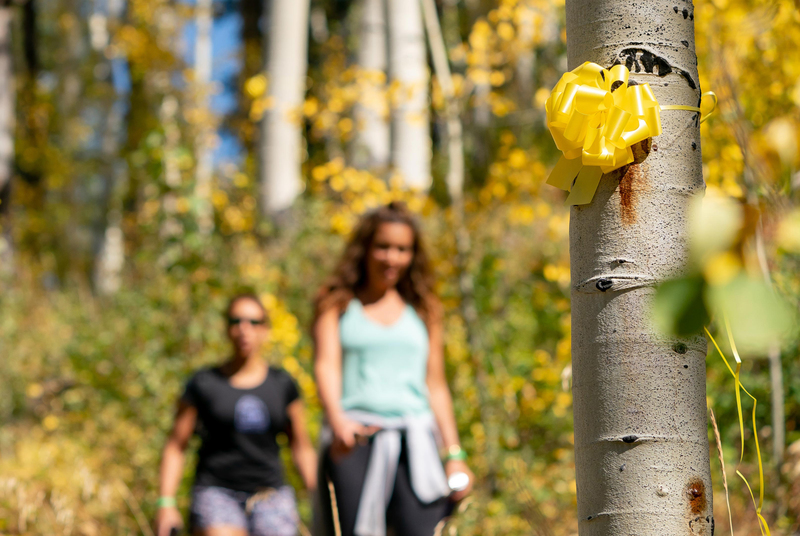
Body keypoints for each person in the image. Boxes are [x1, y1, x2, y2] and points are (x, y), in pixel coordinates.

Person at [313, 202, 473, 536]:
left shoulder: (424, 309)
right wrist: (337, 420)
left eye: (402, 249)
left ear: (413, 255)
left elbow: (436, 385)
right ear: (366, 248)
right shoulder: (336, 303)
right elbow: (326, 365)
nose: (392, 258)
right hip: (354, 440)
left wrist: (454, 454)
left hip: (417, 442)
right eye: (383, 246)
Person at [155, 294, 317, 536]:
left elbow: (301, 447)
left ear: (266, 329)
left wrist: (319, 498)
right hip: (216, 492)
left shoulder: (282, 385)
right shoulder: (204, 383)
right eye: (236, 321)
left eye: (254, 322)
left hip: (271, 494)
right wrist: (165, 503)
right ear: (226, 328)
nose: (244, 330)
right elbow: (176, 445)